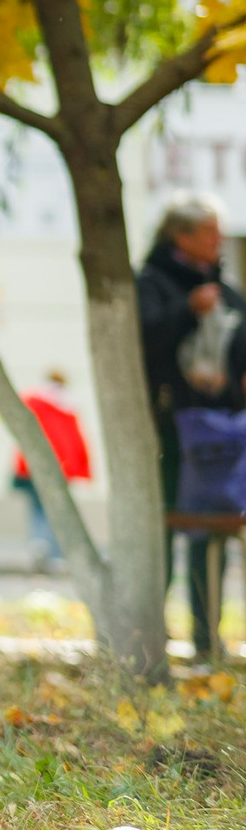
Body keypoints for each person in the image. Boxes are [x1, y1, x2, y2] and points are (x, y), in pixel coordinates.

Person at [139, 193, 246, 657]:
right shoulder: (151, 283)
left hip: (219, 430)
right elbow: (144, 340)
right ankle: (150, 638)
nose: (218, 240)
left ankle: (208, 639)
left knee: (214, 528)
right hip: (169, 429)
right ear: (179, 236)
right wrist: (188, 310)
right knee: (162, 528)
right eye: (208, 232)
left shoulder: (224, 289)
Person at [12, 369, 90, 570]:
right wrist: (80, 468)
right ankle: (53, 550)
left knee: (37, 508)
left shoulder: (33, 401)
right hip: (61, 468)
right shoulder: (68, 407)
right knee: (56, 508)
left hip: (34, 467)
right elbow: (75, 440)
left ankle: (39, 542)